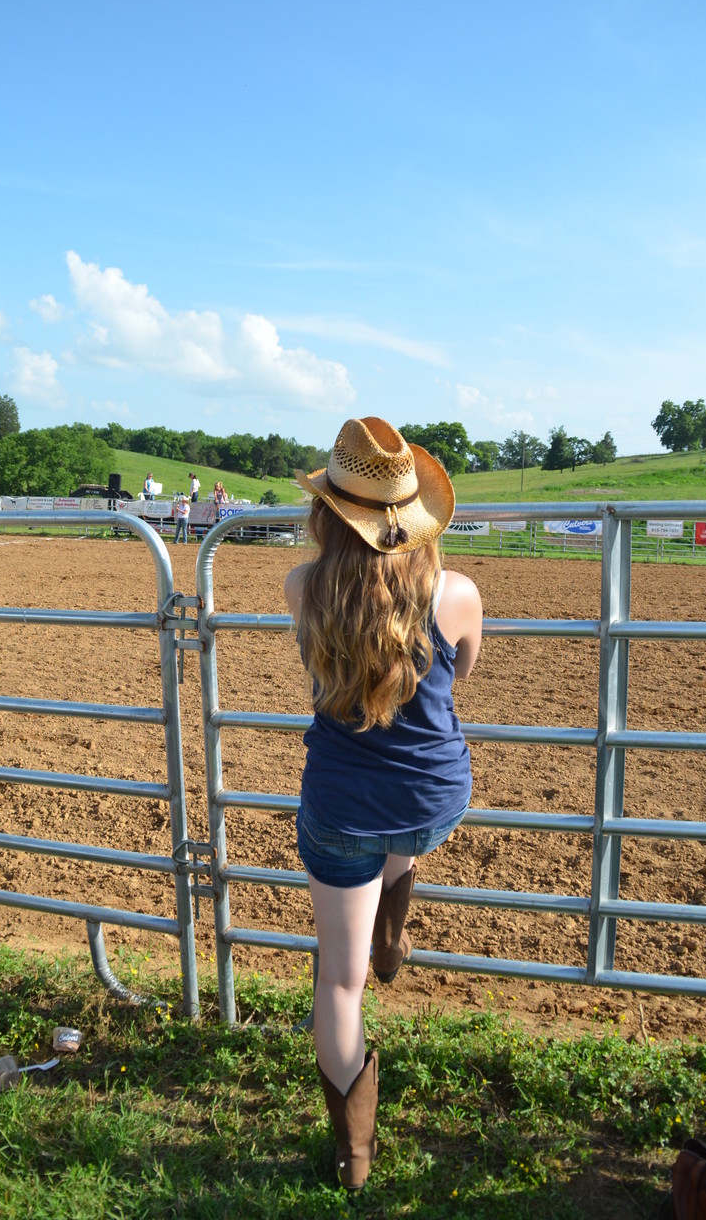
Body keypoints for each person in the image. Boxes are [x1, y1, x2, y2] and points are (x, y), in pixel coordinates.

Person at [285, 416, 482, 1191]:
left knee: (338, 982)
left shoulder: (302, 586)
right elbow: (459, 673)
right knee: (405, 830)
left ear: (330, 511)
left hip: (340, 802)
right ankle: (392, 926)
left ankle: (353, 1156)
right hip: (435, 796)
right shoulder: (458, 592)